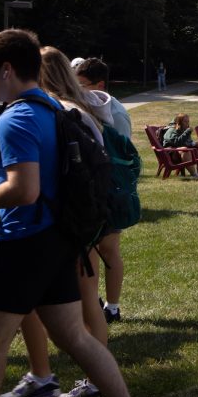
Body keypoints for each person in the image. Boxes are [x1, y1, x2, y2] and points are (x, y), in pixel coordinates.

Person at [0, 29, 161, 397]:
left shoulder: (17, 116)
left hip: (24, 245)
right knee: (74, 338)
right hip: (60, 240)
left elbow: (25, 189)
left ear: (6, 70)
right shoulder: (52, 108)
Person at [0, 46, 115, 397]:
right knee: (84, 297)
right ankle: (89, 380)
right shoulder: (86, 110)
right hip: (86, 215)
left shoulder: (54, 112)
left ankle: (44, 375)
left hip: (58, 221)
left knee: (32, 302)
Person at [76, 57, 132, 323]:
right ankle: (93, 302)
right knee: (88, 250)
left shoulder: (116, 113)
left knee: (109, 247)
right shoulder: (84, 106)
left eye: (82, 84)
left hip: (110, 188)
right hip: (89, 188)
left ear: (99, 84)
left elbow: (121, 155)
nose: (77, 90)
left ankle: (112, 306)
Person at [77, 58, 132, 140]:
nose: (77, 91)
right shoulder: (85, 107)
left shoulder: (117, 115)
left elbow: (123, 151)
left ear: (100, 86)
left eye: (82, 86)